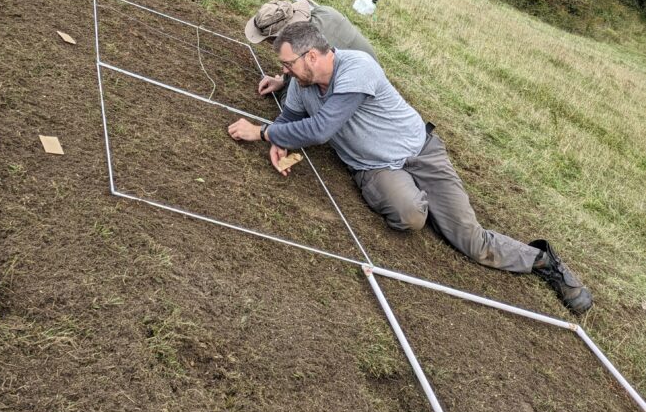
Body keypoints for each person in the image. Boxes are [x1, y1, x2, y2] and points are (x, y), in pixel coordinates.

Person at [228, 22, 592, 314]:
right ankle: (419, 202)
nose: (284, 71)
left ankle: (543, 262)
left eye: (288, 64)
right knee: (410, 217)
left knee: (471, 240)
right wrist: (279, 139)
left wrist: (261, 132)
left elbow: (321, 129)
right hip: (374, 165)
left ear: (311, 56)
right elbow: (290, 116)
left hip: (422, 152)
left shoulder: (357, 68)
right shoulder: (301, 84)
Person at [245, 0, 378, 98]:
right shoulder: (320, 13)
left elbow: (302, 86)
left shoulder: (311, 46)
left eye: (271, 40)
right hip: (367, 71)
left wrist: (285, 88)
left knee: (289, 100)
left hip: (361, 90)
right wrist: (282, 80)